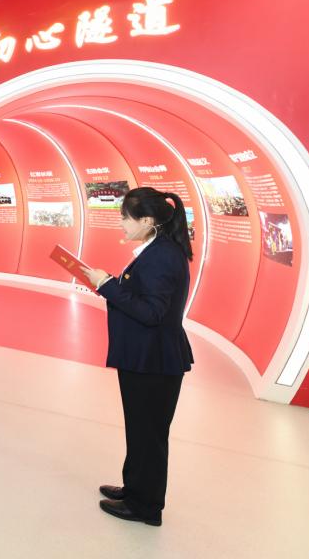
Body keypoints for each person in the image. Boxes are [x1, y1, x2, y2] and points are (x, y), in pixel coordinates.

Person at [80, 188, 194, 527]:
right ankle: (134, 489)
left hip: (153, 360)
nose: (121, 224)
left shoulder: (162, 256)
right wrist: (108, 284)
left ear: (146, 220)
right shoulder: (158, 250)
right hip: (145, 357)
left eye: (125, 218)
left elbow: (151, 312)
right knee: (140, 430)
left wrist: (107, 285)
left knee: (149, 435)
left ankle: (146, 507)